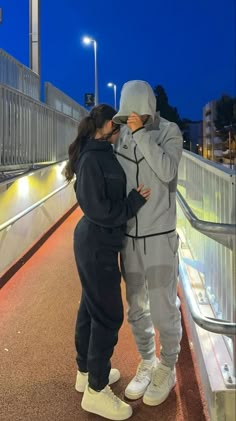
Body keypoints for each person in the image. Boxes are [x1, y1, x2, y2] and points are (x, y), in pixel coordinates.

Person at [64, 104, 150, 420]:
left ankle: (86, 372)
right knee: (108, 314)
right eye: (119, 129)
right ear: (109, 128)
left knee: (91, 307)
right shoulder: (92, 157)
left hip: (99, 242)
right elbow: (98, 209)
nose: (121, 135)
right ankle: (96, 391)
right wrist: (132, 204)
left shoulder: (98, 151)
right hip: (95, 242)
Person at [112, 80, 183, 406]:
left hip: (159, 235)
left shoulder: (170, 131)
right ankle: (147, 360)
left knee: (164, 306)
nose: (128, 121)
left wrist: (141, 135)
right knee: (136, 307)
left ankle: (167, 364)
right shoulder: (122, 133)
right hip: (129, 236)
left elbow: (167, 171)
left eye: (132, 116)